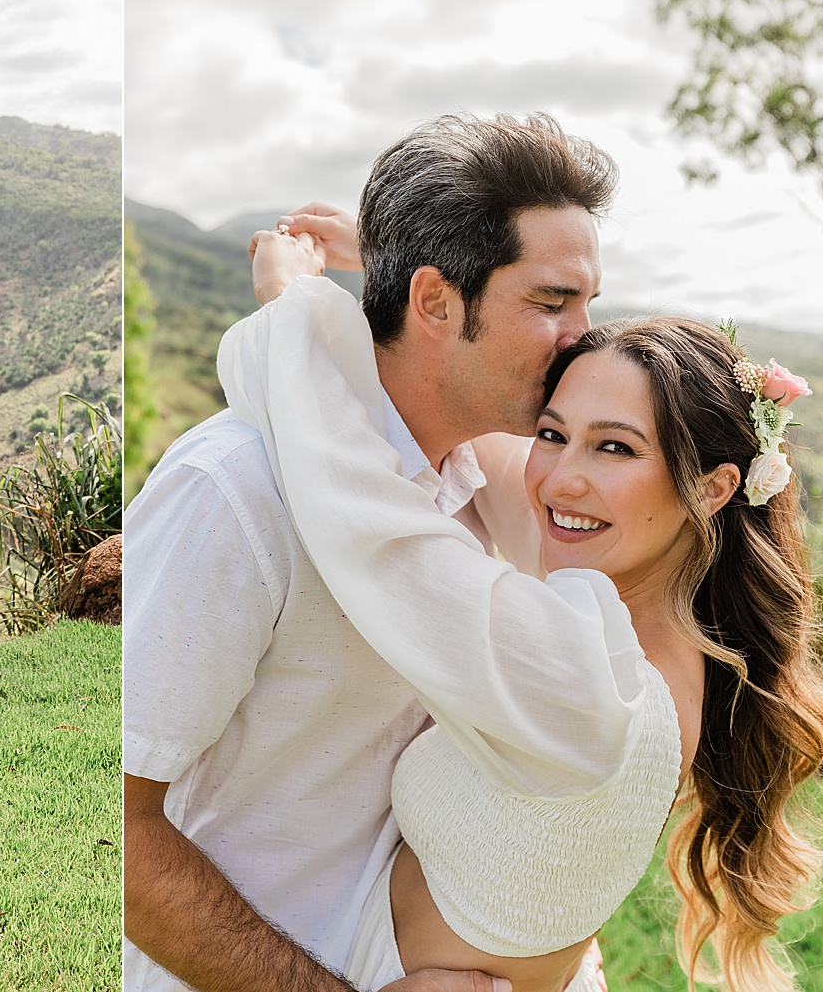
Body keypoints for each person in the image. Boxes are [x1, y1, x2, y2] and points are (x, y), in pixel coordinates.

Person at [123, 112, 631, 992]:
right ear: (434, 302)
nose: (584, 336)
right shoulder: (237, 490)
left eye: (588, 301)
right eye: (552, 303)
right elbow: (116, 830)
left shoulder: (496, 485)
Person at [224, 280, 823, 990]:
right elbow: (492, 450)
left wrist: (298, 302)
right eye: (552, 432)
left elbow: (351, 502)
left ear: (716, 488)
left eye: (615, 448)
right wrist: (417, 282)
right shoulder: (656, 617)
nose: (562, 479)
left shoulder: (594, 675)